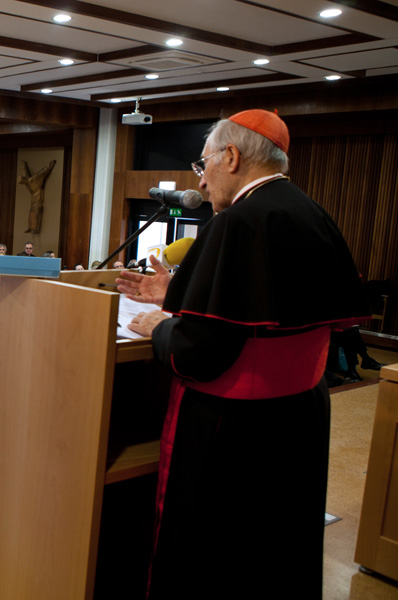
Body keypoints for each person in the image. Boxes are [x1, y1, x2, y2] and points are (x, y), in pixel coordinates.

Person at [117, 109, 368, 600]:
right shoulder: (309, 212)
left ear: (231, 157)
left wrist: (161, 326)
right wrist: (176, 295)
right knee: (277, 553)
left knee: (219, 561)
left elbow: (200, 354)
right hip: (299, 417)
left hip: (233, 430)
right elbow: (259, 310)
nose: (203, 179)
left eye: (203, 163)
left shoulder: (238, 222)